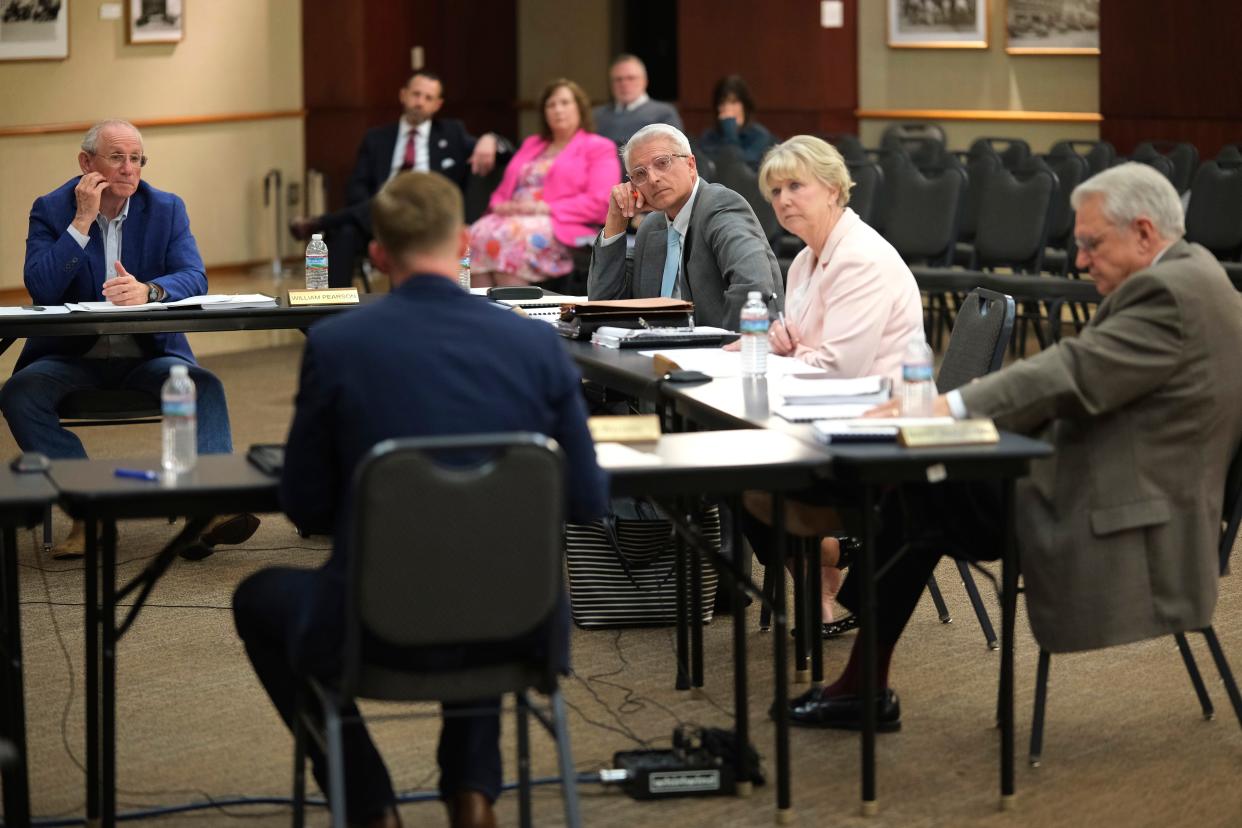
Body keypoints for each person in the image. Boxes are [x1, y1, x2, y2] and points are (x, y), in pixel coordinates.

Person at [787, 163, 1242, 731]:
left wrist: (946, 407)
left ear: (1145, 232)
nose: (1078, 261)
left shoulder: (1167, 293)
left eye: (1090, 244)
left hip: (1130, 505)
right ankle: (860, 659)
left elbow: (1070, 369)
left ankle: (860, 668)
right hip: (1129, 473)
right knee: (921, 483)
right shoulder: (1194, 272)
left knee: (921, 487)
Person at [233, 171, 608, 828]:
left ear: (377, 255)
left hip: (371, 629)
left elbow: (307, 504)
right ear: (464, 241)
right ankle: (473, 794)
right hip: (519, 628)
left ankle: (369, 803)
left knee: (258, 598)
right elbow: (584, 499)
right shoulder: (535, 343)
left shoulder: (338, 344)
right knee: (481, 557)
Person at [1, 119, 258, 559]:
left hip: (146, 354)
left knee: (203, 385)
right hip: (70, 358)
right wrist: (81, 222)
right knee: (20, 393)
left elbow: (194, 277)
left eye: (136, 158)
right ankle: (90, 510)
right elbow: (42, 288)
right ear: (87, 163)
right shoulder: (51, 208)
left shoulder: (165, 207)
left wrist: (150, 291)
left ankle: (210, 508)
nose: (128, 169)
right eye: (116, 157)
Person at [742, 134, 925, 635]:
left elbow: (840, 367)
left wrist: (788, 350)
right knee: (732, 468)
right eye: (774, 191)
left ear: (832, 188)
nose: (782, 200)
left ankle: (828, 553)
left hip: (877, 418)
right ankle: (823, 562)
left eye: (795, 186)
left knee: (745, 469)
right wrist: (782, 342)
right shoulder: (804, 259)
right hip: (824, 406)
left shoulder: (859, 256)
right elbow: (810, 350)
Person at [289, 71, 505, 288]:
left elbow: (508, 154)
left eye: (428, 98)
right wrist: (380, 209)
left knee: (392, 210)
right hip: (379, 216)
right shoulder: (377, 138)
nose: (420, 102)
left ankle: (320, 222)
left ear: (437, 104)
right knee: (344, 233)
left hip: (429, 218)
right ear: (403, 95)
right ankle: (334, 308)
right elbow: (356, 189)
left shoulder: (452, 133)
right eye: (416, 94)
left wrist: (490, 138)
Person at [588, 123, 784, 330]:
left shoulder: (720, 206)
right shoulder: (651, 228)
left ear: (691, 165)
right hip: (654, 354)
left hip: (717, 354)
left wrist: (728, 346)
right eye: (640, 174)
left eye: (662, 163)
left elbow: (753, 285)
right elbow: (604, 309)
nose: (653, 179)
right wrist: (615, 221)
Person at [468, 79, 619, 287]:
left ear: (580, 109)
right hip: (512, 217)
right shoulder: (532, 143)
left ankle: (514, 316)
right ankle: (485, 315)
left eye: (565, 103)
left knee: (511, 239)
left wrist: (543, 207)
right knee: (474, 235)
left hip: (560, 222)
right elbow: (504, 189)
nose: (558, 110)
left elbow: (601, 202)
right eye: (551, 104)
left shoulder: (599, 147)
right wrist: (500, 204)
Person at [592, 54, 684, 145]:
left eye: (631, 78)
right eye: (618, 79)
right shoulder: (597, 115)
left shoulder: (664, 113)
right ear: (611, 84)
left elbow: (673, 149)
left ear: (645, 81)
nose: (624, 84)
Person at [697, 75, 777, 171]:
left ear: (745, 106)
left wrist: (730, 130)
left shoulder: (759, 136)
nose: (728, 108)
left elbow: (737, 169)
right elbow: (709, 169)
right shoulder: (708, 137)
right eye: (722, 103)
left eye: (733, 102)